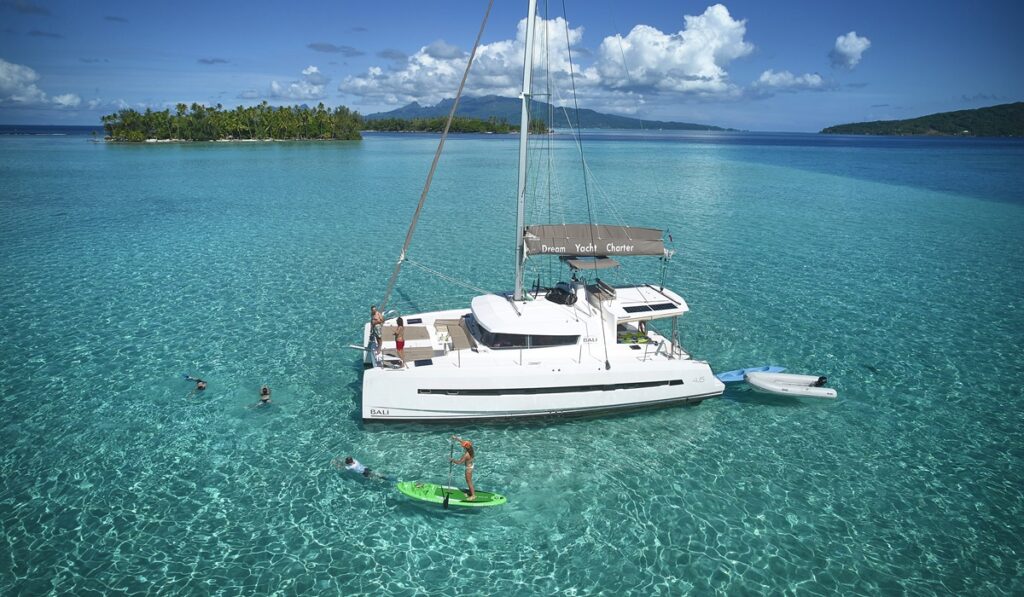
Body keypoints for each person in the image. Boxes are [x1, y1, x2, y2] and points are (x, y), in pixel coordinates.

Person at [450, 436, 476, 501]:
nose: (462, 447)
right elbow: (462, 441)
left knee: (469, 482)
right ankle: (470, 493)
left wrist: (452, 460)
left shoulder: (466, 455)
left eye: (463, 447)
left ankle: (473, 495)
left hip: (468, 469)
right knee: (469, 481)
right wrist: (456, 438)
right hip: (471, 466)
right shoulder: (471, 448)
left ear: (465, 448)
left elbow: (459, 462)